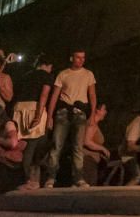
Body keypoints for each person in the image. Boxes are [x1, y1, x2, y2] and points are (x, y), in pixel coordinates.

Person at [43, 49, 96, 188]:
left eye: (83, 58)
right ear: (72, 58)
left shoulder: (88, 74)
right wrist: (50, 117)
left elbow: (92, 95)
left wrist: (92, 115)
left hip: (80, 112)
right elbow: (54, 96)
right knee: (56, 145)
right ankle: (51, 177)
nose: (81, 60)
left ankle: (78, 178)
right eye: (78, 57)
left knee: (78, 147)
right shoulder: (63, 74)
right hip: (63, 112)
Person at [13, 55, 54, 190]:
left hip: (19, 108)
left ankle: (28, 177)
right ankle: (25, 179)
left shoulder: (25, 75)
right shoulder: (46, 76)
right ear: (48, 66)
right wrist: (39, 115)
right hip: (34, 108)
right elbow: (44, 95)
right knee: (32, 145)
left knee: (23, 144)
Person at [81, 104, 110, 186]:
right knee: (89, 187)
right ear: (97, 110)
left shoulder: (93, 124)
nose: (106, 112)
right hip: (87, 160)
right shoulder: (92, 124)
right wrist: (103, 149)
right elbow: (86, 141)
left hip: (91, 160)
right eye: (104, 109)